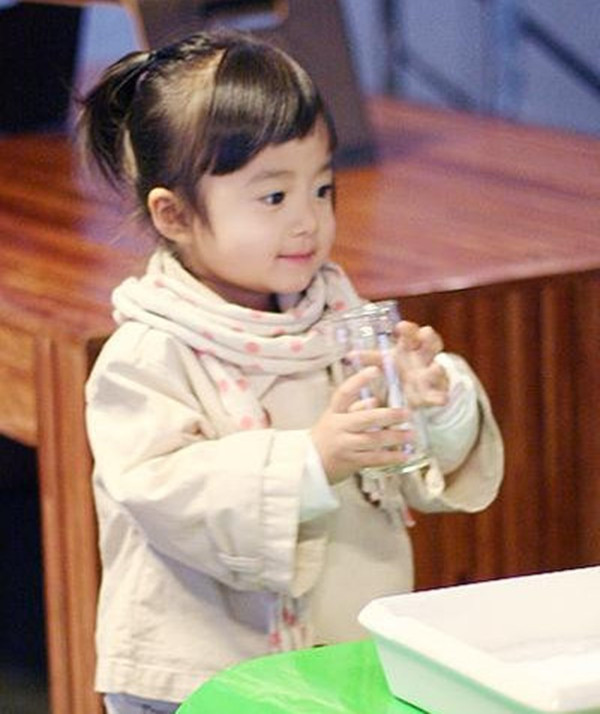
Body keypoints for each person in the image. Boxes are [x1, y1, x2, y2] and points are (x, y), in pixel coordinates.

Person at [79, 30, 503, 714]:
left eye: (323, 187)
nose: (308, 220)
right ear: (174, 214)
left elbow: (408, 475)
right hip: (197, 680)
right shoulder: (149, 352)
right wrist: (311, 460)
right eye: (274, 197)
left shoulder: (339, 319)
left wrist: (435, 406)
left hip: (335, 662)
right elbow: (163, 493)